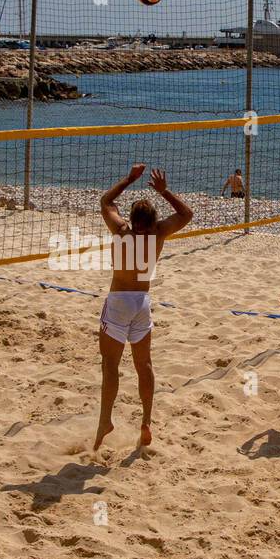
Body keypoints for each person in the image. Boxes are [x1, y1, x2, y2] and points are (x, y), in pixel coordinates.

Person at [93, 163, 193, 451]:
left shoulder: (122, 230)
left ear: (132, 220)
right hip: (142, 303)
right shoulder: (158, 234)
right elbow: (187, 214)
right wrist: (165, 192)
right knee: (144, 364)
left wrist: (129, 178)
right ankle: (147, 419)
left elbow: (105, 202)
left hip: (119, 302)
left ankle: (105, 421)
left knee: (110, 365)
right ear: (151, 222)